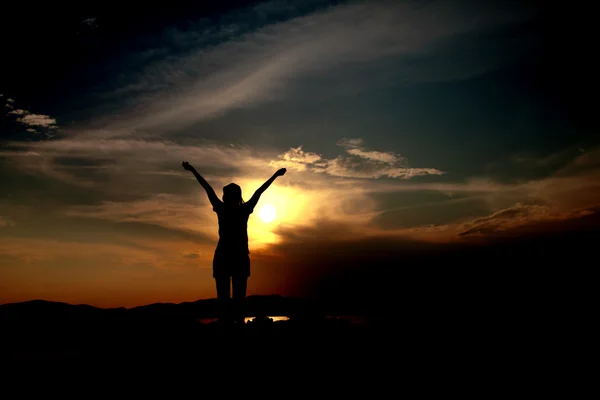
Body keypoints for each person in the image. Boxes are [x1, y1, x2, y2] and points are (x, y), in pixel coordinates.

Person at [182, 161, 286, 325]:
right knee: (236, 300)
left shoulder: (224, 208)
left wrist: (193, 170)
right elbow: (259, 191)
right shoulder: (241, 210)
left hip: (228, 257)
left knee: (228, 300)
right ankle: (233, 328)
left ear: (226, 196)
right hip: (235, 257)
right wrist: (275, 175)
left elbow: (207, 188)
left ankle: (229, 328)